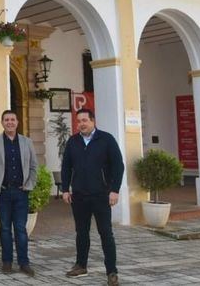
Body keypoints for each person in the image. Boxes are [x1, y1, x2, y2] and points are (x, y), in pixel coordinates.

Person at [61, 108, 125, 286]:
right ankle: (81, 265)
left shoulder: (106, 139)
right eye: (79, 121)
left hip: (101, 195)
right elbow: (66, 166)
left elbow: (118, 166)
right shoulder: (73, 141)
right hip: (79, 196)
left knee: (106, 233)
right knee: (81, 233)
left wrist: (114, 190)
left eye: (85, 120)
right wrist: (65, 189)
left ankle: (111, 272)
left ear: (92, 121)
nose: (81, 124)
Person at [0, 110, 38, 276]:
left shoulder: (27, 142)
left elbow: (33, 166)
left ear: (17, 122)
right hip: (3, 193)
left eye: (12, 119)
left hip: (21, 193)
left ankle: (24, 262)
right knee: (5, 228)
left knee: (21, 228)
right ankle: (6, 262)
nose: (10, 122)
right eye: (6, 120)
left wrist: (29, 185)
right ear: (2, 123)